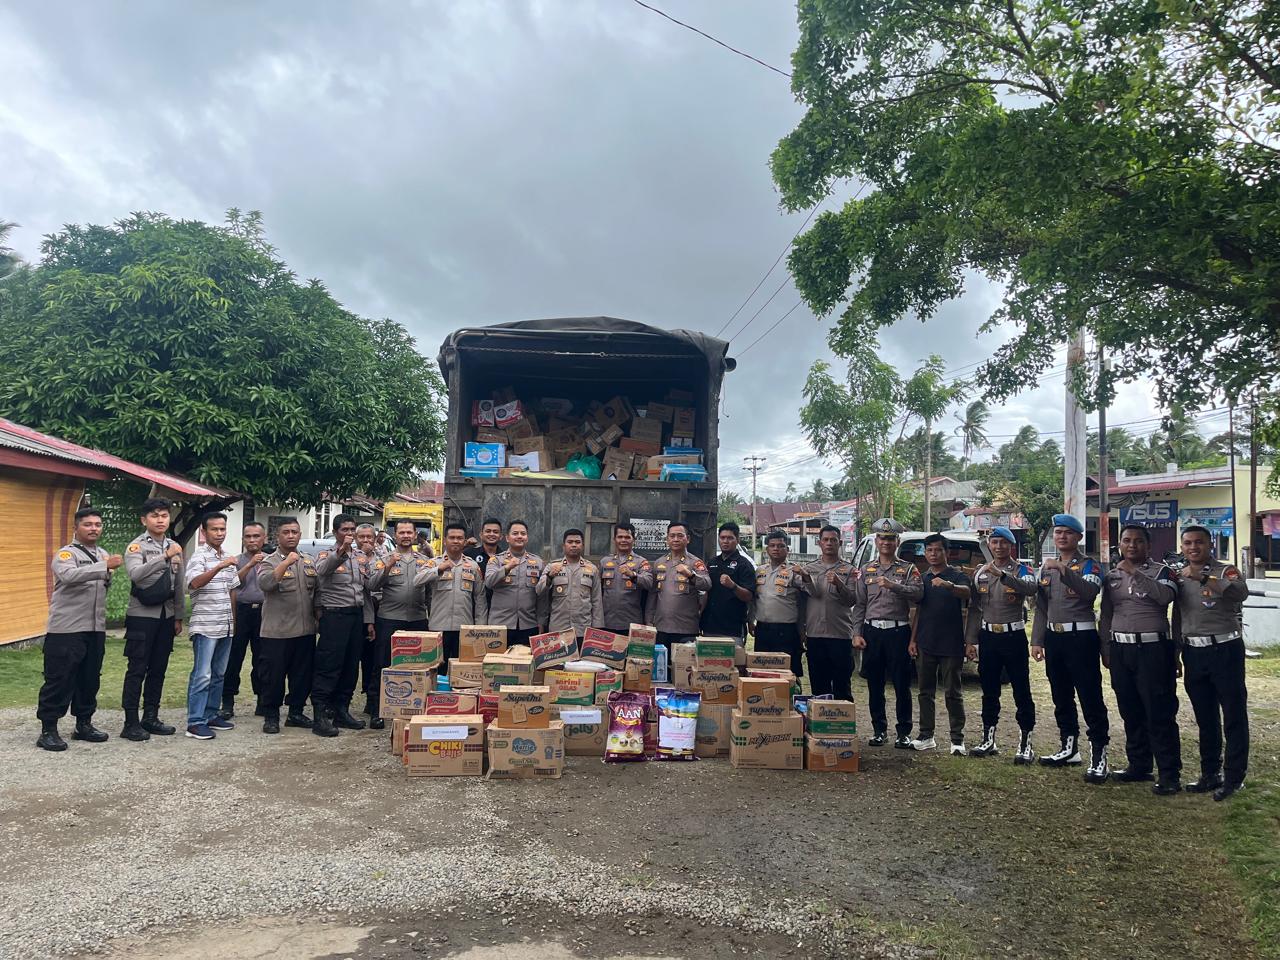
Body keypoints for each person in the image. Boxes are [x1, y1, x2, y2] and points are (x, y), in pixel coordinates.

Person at [1100, 523, 1181, 795]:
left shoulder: (1163, 571)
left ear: (1148, 545)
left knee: (1159, 711)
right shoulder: (1111, 576)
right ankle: (1139, 765)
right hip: (1122, 650)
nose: (1131, 545)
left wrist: (1134, 573)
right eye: (1126, 540)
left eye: (1137, 541)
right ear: (1119, 544)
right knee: (1130, 709)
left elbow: (1164, 597)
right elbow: (1107, 615)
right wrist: (1106, 647)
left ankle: (1169, 773)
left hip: (1153, 650)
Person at [35, 507, 122, 751]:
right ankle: (48, 729)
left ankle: (83, 724)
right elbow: (70, 576)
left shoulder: (102, 553)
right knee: (59, 678)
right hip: (67, 629)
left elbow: (104, 585)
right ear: (76, 528)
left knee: (89, 678)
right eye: (88, 524)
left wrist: (105, 567)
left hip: (95, 628)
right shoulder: (66, 554)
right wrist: (104, 567)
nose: (94, 528)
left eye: (97, 524)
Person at [1031, 514, 1109, 782]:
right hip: (1055, 638)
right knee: (1061, 695)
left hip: (1081, 638)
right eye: (1058, 532)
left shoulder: (1090, 565)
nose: (1061, 537)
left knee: (1089, 696)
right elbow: (1041, 607)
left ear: (1078, 537)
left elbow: (1089, 593)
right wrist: (1037, 640)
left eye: (1067, 533)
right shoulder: (1046, 568)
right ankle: (1069, 747)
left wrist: (1063, 571)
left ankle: (1099, 754)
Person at [1174, 524, 1250, 801]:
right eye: (1188, 543)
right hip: (1194, 652)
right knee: (1205, 717)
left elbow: (1240, 594)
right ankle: (1210, 773)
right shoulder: (1179, 576)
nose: (1193, 548)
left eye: (1199, 543)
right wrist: (1176, 652)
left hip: (1225, 649)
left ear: (1210, 546)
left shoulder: (1226, 570)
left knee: (1233, 714)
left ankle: (1234, 776)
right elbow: (1177, 616)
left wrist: (1204, 579)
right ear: (1182, 547)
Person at [966, 526, 1039, 762]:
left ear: (1011, 546)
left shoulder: (1022, 569)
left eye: (1003, 543)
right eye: (994, 542)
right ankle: (988, 738)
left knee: (1021, 690)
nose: (998, 547)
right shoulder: (981, 572)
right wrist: (971, 639)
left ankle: (1026, 742)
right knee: (989, 689)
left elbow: (1031, 588)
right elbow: (975, 608)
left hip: (1013, 636)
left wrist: (1004, 576)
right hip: (989, 637)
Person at [852, 518, 923, 748]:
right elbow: (860, 605)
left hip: (898, 632)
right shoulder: (866, 570)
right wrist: (857, 632)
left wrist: (894, 585)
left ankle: (903, 731)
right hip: (873, 632)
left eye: (890, 538)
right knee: (875, 683)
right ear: (877, 540)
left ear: (897, 541)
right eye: (882, 538)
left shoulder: (908, 569)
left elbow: (919, 595)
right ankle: (879, 729)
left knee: (902, 684)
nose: (886, 542)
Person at [121, 497, 185, 742]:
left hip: (165, 617)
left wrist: (178, 616)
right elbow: (136, 574)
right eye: (155, 516)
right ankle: (130, 722)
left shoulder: (174, 545)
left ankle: (151, 716)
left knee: (158, 668)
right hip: (141, 616)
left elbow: (178, 584)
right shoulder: (136, 547)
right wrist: (164, 557)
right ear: (144, 520)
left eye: (164, 515)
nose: (160, 520)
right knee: (137, 668)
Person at [908, 533, 973, 754]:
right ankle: (926, 735)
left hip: (952, 643)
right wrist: (913, 639)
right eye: (929, 550)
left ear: (947, 552)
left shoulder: (957, 575)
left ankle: (957, 739)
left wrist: (948, 585)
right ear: (925, 553)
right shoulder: (922, 578)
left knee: (953, 692)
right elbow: (918, 611)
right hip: (926, 641)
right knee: (925, 692)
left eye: (938, 550)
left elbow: (967, 593)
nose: (933, 554)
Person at [365, 519, 431, 728]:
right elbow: (371, 584)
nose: (405, 536)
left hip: (418, 619)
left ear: (414, 535)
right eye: (401, 532)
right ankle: (376, 709)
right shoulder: (384, 558)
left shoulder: (424, 560)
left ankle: (414, 706)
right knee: (382, 665)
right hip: (390, 619)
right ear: (395, 535)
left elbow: (429, 591)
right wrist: (388, 566)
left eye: (408, 532)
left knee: (418, 666)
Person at [256, 518, 318, 734]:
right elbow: (265, 584)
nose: (291, 535)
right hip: (277, 632)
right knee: (273, 677)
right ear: (277, 536)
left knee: (302, 675)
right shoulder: (269, 561)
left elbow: (316, 593)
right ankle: (271, 716)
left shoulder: (309, 561)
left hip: (305, 630)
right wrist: (285, 563)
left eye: (294, 532)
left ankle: (296, 712)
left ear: (300, 535)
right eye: (286, 532)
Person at [183, 513, 241, 740]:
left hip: (225, 625)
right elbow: (194, 583)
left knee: (219, 674)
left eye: (222, 529)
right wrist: (218, 567)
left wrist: (233, 622)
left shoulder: (228, 556)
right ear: (204, 532)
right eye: (215, 529)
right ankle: (195, 722)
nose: (219, 533)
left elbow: (232, 591)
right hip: (205, 625)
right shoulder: (199, 556)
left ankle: (210, 714)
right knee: (202, 675)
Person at [313, 514, 369, 736]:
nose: (350, 533)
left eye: (352, 529)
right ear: (336, 532)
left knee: (350, 665)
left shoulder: (360, 556)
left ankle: (341, 710)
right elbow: (322, 572)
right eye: (345, 529)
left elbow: (367, 585)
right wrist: (341, 551)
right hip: (335, 616)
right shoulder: (328, 554)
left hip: (356, 615)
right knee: (329, 665)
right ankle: (320, 713)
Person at [799, 525, 858, 700]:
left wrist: (840, 584)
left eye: (833, 540)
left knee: (842, 684)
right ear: (819, 543)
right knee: (819, 685)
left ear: (840, 543)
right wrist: (801, 630)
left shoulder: (849, 570)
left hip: (840, 634)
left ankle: (842, 724)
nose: (829, 543)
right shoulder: (808, 569)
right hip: (815, 634)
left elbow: (852, 600)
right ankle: (820, 724)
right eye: (825, 540)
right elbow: (801, 602)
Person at [416, 522, 487, 667]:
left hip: (464, 629)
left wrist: (480, 628)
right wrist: (438, 570)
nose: (456, 541)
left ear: (465, 541)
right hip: (438, 627)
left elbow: (480, 599)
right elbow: (417, 580)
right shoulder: (434, 563)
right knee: (437, 669)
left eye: (460, 538)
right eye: (452, 537)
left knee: (460, 668)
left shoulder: (472, 566)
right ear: (444, 540)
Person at [220, 522, 267, 720]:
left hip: (264, 612)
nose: (252, 540)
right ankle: (228, 701)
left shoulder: (270, 561)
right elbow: (232, 583)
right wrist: (249, 565)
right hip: (240, 611)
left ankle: (262, 700)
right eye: (248, 536)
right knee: (233, 658)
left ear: (264, 538)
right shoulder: (236, 561)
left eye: (256, 536)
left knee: (262, 659)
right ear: (243, 539)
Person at [645, 521, 711, 658]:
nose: (676, 539)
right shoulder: (659, 563)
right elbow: (653, 595)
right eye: (672, 536)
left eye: (680, 536)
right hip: (661, 626)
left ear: (688, 539)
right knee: (662, 670)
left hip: (686, 628)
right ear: (667, 539)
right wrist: (649, 619)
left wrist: (691, 575)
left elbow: (707, 584)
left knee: (683, 670)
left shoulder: (695, 563)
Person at [749, 531, 807, 679]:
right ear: (767, 549)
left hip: (786, 630)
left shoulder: (794, 571)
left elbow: (811, 594)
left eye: (781, 546)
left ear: (787, 549)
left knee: (787, 673)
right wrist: (750, 621)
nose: (776, 549)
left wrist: (806, 576)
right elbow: (754, 599)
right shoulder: (760, 571)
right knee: (761, 672)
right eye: (772, 545)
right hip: (762, 629)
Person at [484, 520, 546, 645]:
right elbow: (489, 582)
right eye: (515, 533)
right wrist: (507, 568)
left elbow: (542, 596)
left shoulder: (538, 562)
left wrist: (541, 621)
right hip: (500, 624)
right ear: (507, 538)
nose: (519, 536)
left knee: (526, 662)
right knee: (499, 662)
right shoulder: (496, 560)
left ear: (527, 538)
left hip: (528, 624)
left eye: (523, 534)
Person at [539, 528, 604, 638]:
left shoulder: (592, 569)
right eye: (570, 542)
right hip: (558, 628)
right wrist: (549, 576)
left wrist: (597, 628)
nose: (574, 545)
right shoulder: (552, 566)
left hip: (583, 629)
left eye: (577, 542)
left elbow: (597, 600)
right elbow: (539, 590)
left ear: (582, 545)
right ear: (563, 546)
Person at [701, 521, 756, 641]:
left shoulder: (744, 565)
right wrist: (700, 615)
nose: (725, 541)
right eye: (722, 538)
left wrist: (733, 586)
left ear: (737, 540)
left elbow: (749, 596)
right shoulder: (712, 563)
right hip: (710, 626)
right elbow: (706, 592)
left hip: (733, 628)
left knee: (732, 660)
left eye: (730, 538)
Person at [600, 522, 653, 633]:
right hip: (606, 621)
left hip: (631, 622)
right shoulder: (605, 562)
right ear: (614, 539)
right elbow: (597, 592)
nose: (623, 540)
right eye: (620, 537)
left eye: (627, 537)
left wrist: (633, 575)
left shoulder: (641, 562)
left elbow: (648, 582)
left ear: (634, 539)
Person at [354, 523, 380, 715]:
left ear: (375, 538)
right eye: (361, 537)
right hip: (359, 611)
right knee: (354, 656)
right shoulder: (351, 558)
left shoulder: (383, 558)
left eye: (368, 537)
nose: (365, 540)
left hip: (382, 610)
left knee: (374, 658)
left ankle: (372, 699)